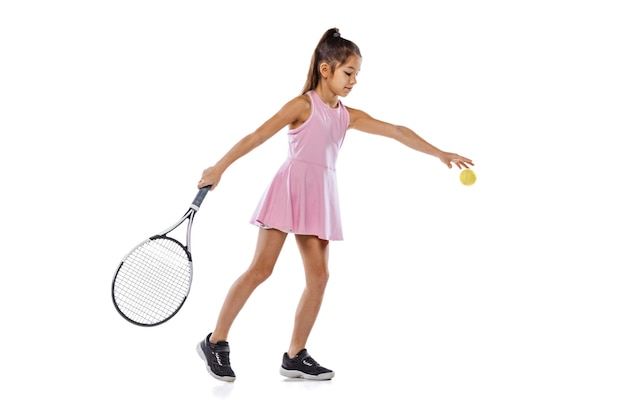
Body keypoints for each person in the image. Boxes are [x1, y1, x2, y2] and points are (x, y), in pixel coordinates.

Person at [196, 28, 473, 382]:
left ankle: (295, 355)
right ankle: (215, 341)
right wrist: (220, 168)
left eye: (357, 74)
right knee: (261, 270)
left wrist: (439, 153)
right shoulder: (302, 105)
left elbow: (398, 130)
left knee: (319, 278)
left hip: (320, 196)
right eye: (348, 72)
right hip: (290, 190)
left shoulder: (347, 115)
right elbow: (258, 135)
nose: (354, 80)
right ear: (326, 69)